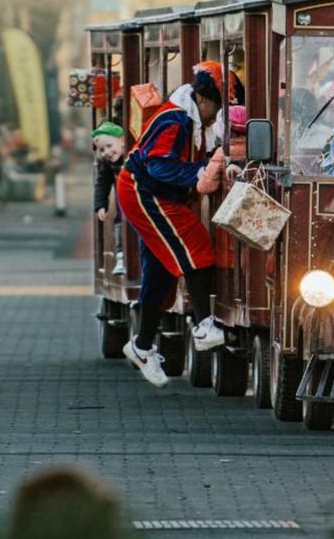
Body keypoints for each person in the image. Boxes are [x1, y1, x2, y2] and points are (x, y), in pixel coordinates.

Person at [117, 62, 234, 388]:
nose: (217, 117)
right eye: (219, 108)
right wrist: (199, 173)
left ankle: (140, 346)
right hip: (145, 191)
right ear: (206, 101)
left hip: (151, 191)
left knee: (161, 269)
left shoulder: (186, 117)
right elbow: (158, 166)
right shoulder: (175, 119)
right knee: (196, 244)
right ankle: (202, 325)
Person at [92, 121, 125, 275]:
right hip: (122, 202)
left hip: (136, 200)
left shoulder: (133, 156)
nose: (107, 152)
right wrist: (100, 205)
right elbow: (102, 185)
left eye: (109, 146)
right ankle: (121, 256)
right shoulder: (107, 164)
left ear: (122, 140)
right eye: (102, 149)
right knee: (120, 223)